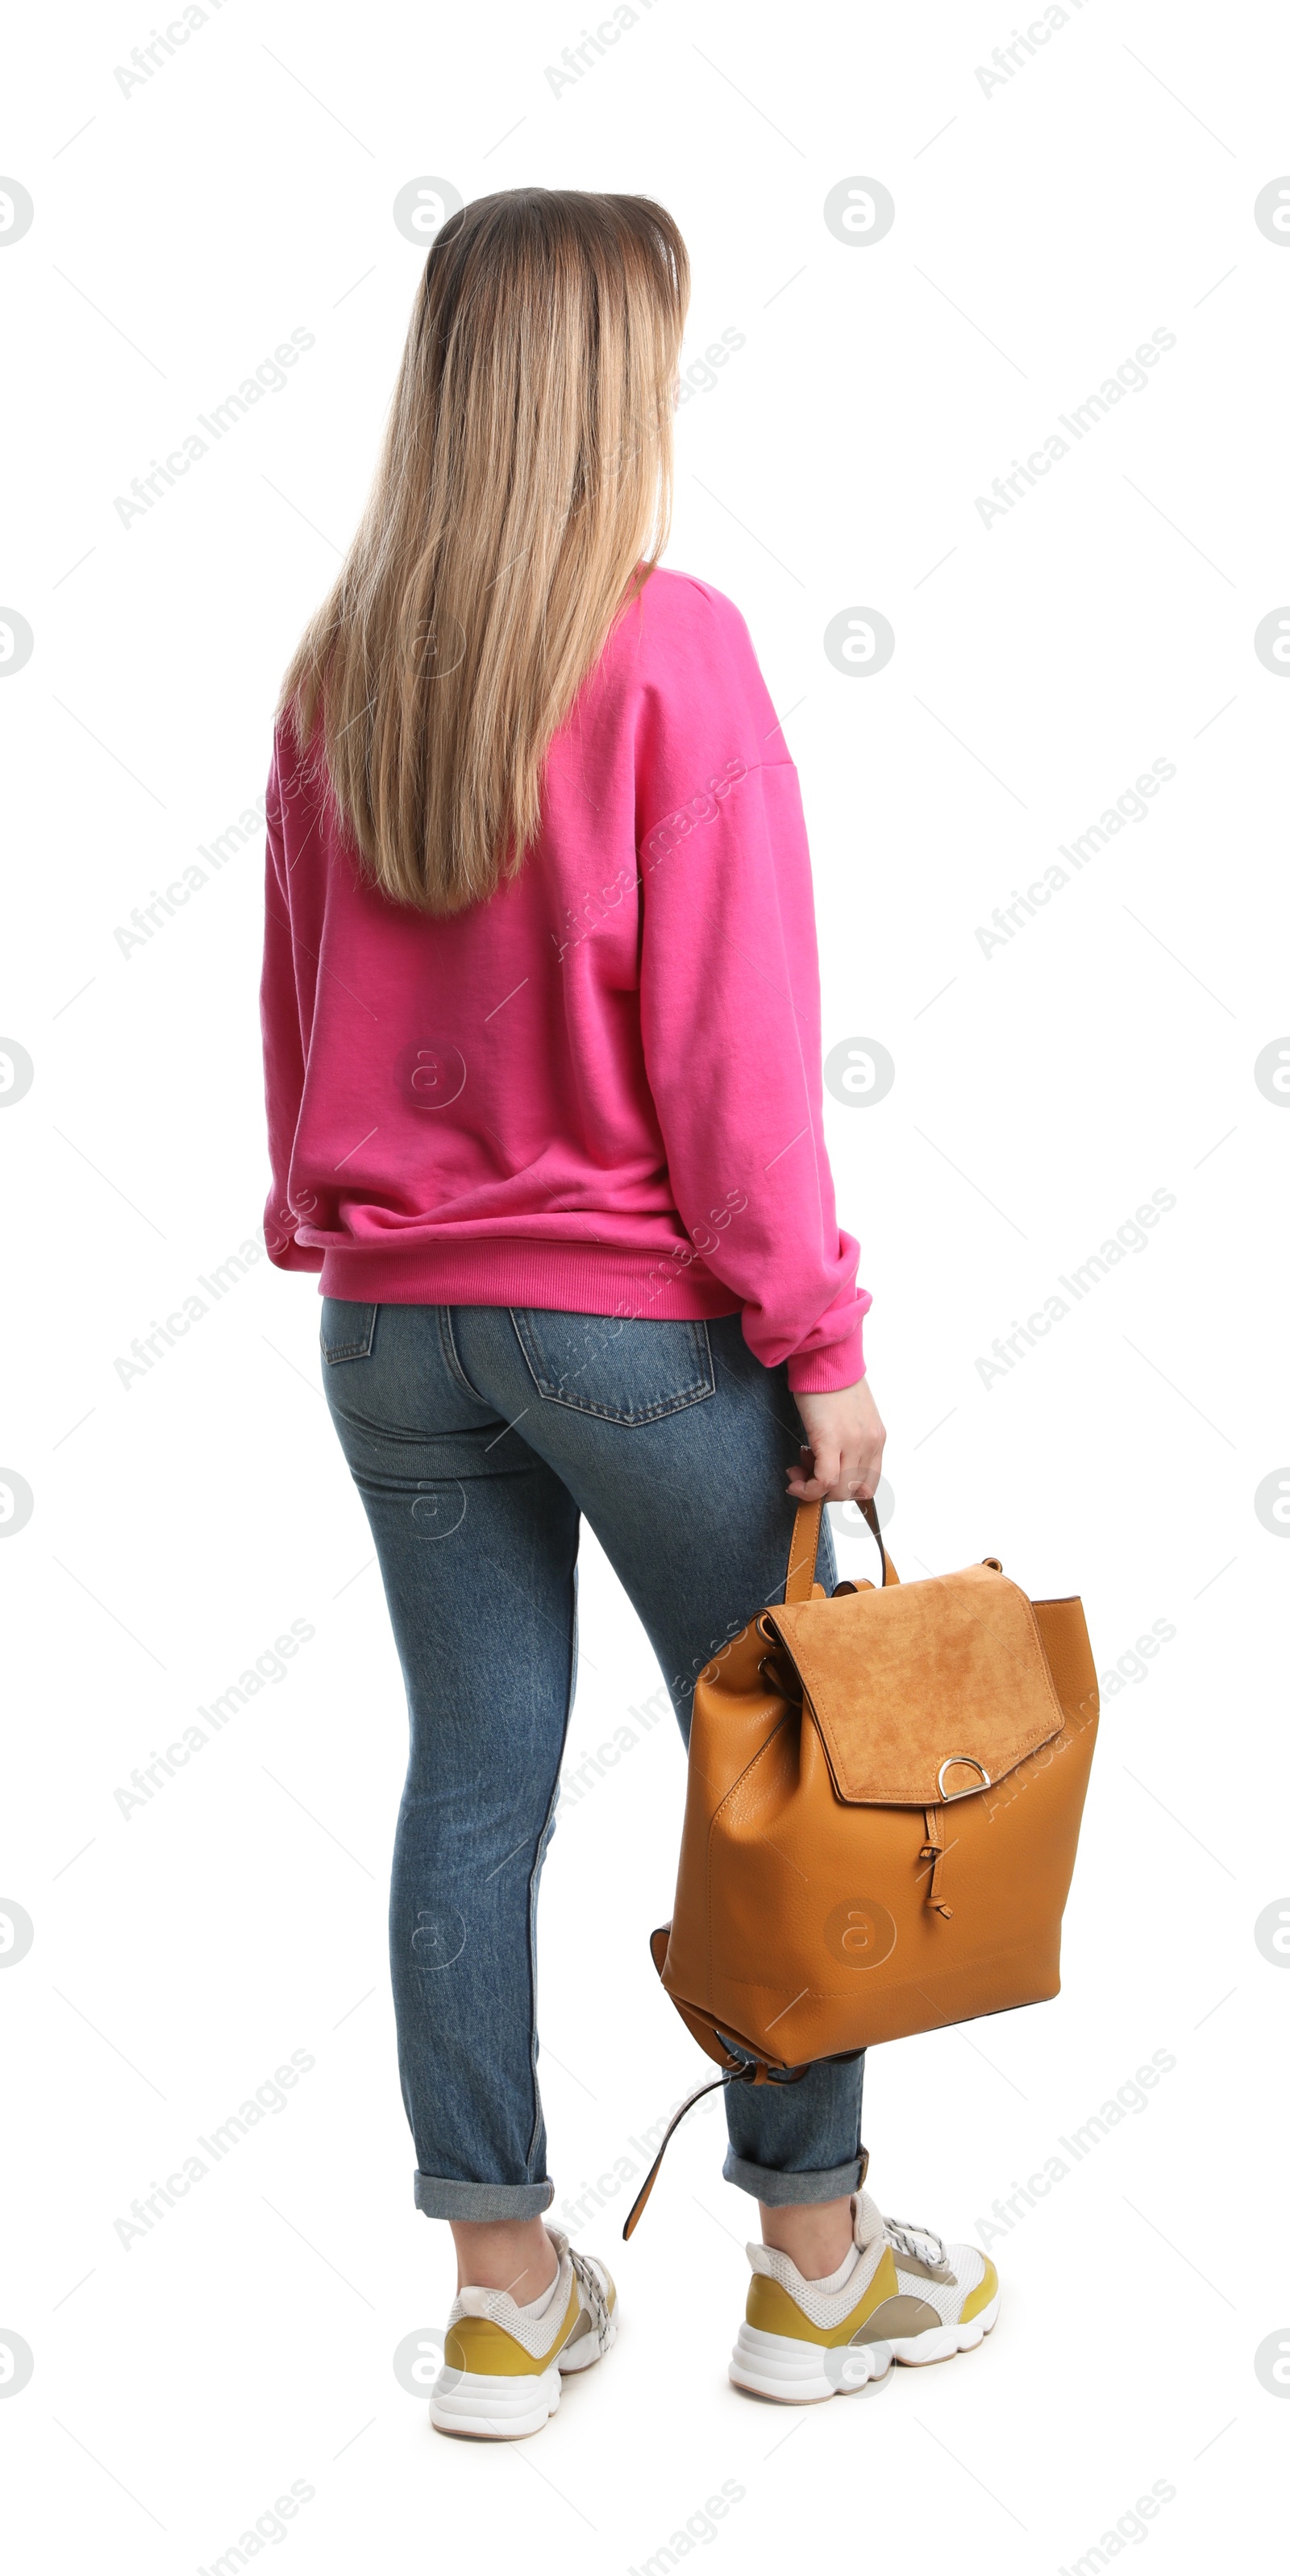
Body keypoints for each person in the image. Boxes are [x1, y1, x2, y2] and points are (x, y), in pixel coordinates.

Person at [260, 187, 997, 2438]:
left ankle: (502, 2299)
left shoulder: (341, 664)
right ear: (610, 385)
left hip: (394, 1325)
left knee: (471, 1780)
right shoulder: (678, 653)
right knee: (786, 1772)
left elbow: (293, 1012)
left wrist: (365, 1228)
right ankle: (814, 2266)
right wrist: (822, 1332)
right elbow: (734, 1055)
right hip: (637, 1321)